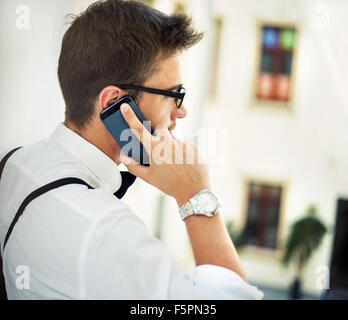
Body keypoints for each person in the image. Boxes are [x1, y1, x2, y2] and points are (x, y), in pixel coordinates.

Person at [0, 0, 263, 299]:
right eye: (174, 95)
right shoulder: (105, 231)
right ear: (114, 102)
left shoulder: (15, 162)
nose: (183, 112)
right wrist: (196, 196)